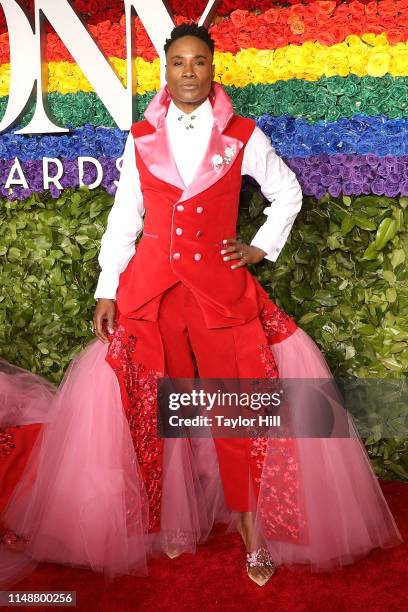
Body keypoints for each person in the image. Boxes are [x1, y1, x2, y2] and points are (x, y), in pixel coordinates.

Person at [0, 24, 403, 589]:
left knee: (233, 409)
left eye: (199, 62)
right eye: (179, 63)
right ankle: (168, 518)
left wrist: (260, 246)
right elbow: (125, 215)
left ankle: (249, 527)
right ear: (166, 72)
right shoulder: (139, 137)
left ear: (213, 71)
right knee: (154, 408)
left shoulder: (241, 133)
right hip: (151, 291)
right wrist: (106, 288)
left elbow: (287, 191)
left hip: (219, 292)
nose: (189, 71)